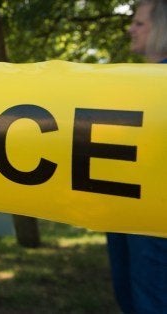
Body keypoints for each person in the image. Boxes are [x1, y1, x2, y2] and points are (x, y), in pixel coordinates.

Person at [106, 1, 167, 313]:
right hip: (128, 216)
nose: (130, 28)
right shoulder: (139, 84)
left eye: (140, 23)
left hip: (154, 224)